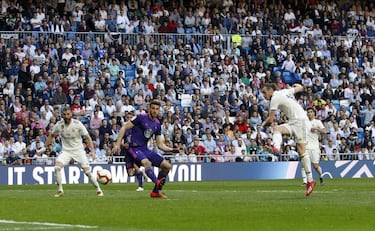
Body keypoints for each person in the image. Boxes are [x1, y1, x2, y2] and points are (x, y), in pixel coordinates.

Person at [113, 100, 179, 199]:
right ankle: (157, 182)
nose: (155, 111)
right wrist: (117, 144)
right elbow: (124, 127)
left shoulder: (157, 124)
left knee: (167, 166)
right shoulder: (141, 118)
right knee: (146, 163)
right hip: (134, 148)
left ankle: (155, 192)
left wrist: (170, 149)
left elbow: (160, 144)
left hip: (145, 149)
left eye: (157, 109)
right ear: (149, 108)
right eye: (153, 108)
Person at [261, 83, 315, 196]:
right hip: (293, 122)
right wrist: (298, 86)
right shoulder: (285, 91)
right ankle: (276, 147)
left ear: (271, 90)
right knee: (277, 129)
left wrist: (263, 125)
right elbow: (299, 88)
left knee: (302, 151)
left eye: (264, 92)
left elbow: (271, 119)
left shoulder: (275, 97)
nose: (264, 95)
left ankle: (310, 180)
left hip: (301, 122)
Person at [44, 107, 103, 197]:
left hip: (78, 151)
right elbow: (51, 135)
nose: (66, 116)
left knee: (87, 173)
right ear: (62, 115)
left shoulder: (77, 124)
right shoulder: (59, 125)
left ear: (71, 114)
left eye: (68, 114)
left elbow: (87, 138)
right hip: (66, 151)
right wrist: (45, 147)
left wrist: (92, 151)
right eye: (64, 114)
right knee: (57, 168)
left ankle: (98, 189)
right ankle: (60, 190)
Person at [302, 107, 326, 186]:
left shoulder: (317, 122)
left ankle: (320, 176)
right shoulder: (305, 122)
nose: (309, 113)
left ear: (314, 113)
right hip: (306, 146)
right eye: (308, 112)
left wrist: (316, 128)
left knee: (315, 166)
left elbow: (324, 131)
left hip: (315, 147)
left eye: (311, 112)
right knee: (305, 164)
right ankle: (307, 181)